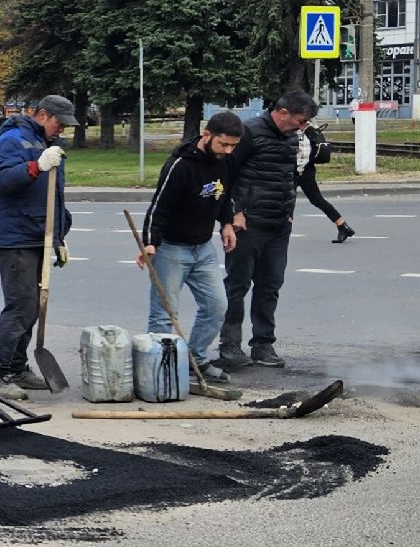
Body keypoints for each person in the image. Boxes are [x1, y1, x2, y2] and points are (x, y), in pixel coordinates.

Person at [0, 95, 76, 400]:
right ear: (42, 115)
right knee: (21, 305)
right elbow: (3, 182)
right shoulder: (12, 140)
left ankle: (18, 367)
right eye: (58, 123)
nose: (61, 130)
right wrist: (36, 166)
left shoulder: (45, 145)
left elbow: (52, 197)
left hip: (39, 234)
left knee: (34, 305)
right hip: (16, 236)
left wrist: (59, 237)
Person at [139, 112, 243, 381]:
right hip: (171, 249)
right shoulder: (180, 165)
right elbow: (158, 207)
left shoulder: (226, 161)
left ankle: (196, 360)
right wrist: (150, 243)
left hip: (203, 248)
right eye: (223, 144)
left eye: (233, 146)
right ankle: (161, 372)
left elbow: (225, 194)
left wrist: (227, 223)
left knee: (217, 306)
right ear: (206, 135)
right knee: (164, 315)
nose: (228, 151)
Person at [221, 91, 317, 368]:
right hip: (247, 224)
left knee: (270, 285)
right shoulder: (249, 132)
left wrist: (289, 212)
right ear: (283, 112)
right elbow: (227, 175)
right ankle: (230, 346)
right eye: (300, 121)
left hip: (278, 225)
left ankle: (263, 345)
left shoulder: (291, 137)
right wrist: (234, 213)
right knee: (237, 285)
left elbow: (289, 176)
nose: (302, 127)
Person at [298, 128, 358, 244]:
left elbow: (302, 154)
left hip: (301, 171)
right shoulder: (305, 127)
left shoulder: (302, 130)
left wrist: (297, 170)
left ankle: (342, 226)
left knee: (315, 200)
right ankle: (342, 226)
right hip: (302, 170)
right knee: (314, 200)